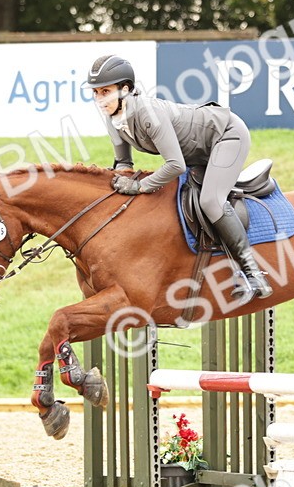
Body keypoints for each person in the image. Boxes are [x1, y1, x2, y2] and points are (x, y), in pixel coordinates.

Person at [85, 54, 272, 302]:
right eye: (96, 92)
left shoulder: (148, 114)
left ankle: (254, 274)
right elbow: (123, 164)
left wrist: (140, 186)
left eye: (105, 91)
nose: (99, 99)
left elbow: (175, 165)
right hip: (197, 150)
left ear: (125, 89)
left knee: (210, 201)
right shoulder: (113, 117)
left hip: (227, 135)